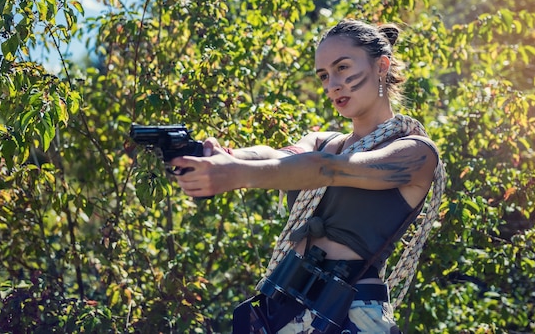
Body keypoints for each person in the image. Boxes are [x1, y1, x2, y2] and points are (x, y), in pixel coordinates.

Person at [172, 19, 445, 333]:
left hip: (351, 314)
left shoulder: (416, 153)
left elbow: (327, 169)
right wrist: (226, 157)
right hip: (286, 305)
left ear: (381, 66)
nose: (332, 85)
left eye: (342, 68)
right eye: (324, 76)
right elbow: (277, 156)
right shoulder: (325, 142)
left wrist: (237, 174)